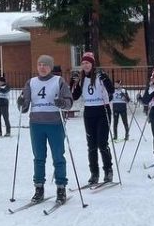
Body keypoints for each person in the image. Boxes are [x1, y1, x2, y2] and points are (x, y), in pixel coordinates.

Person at [18, 54, 73, 204]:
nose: (42, 67)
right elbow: (24, 107)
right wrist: (21, 102)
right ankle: (39, 188)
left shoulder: (58, 81)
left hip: (55, 123)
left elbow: (69, 102)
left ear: (50, 67)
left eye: (45, 65)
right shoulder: (31, 82)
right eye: (40, 64)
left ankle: (61, 188)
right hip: (36, 124)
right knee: (39, 157)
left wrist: (62, 102)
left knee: (58, 156)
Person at [70, 52, 114, 186]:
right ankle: (94, 173)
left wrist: (105, 79)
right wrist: (73, 82)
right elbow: (75, 96)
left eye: (88, 63)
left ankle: (108, 170)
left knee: (102, 143)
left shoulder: (100, 76)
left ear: (92, 64)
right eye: (83, 63)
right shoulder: (82, 79)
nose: (85, 65)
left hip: (102, 110)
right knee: (91, 145)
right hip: (89, 112)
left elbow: (111, 90)